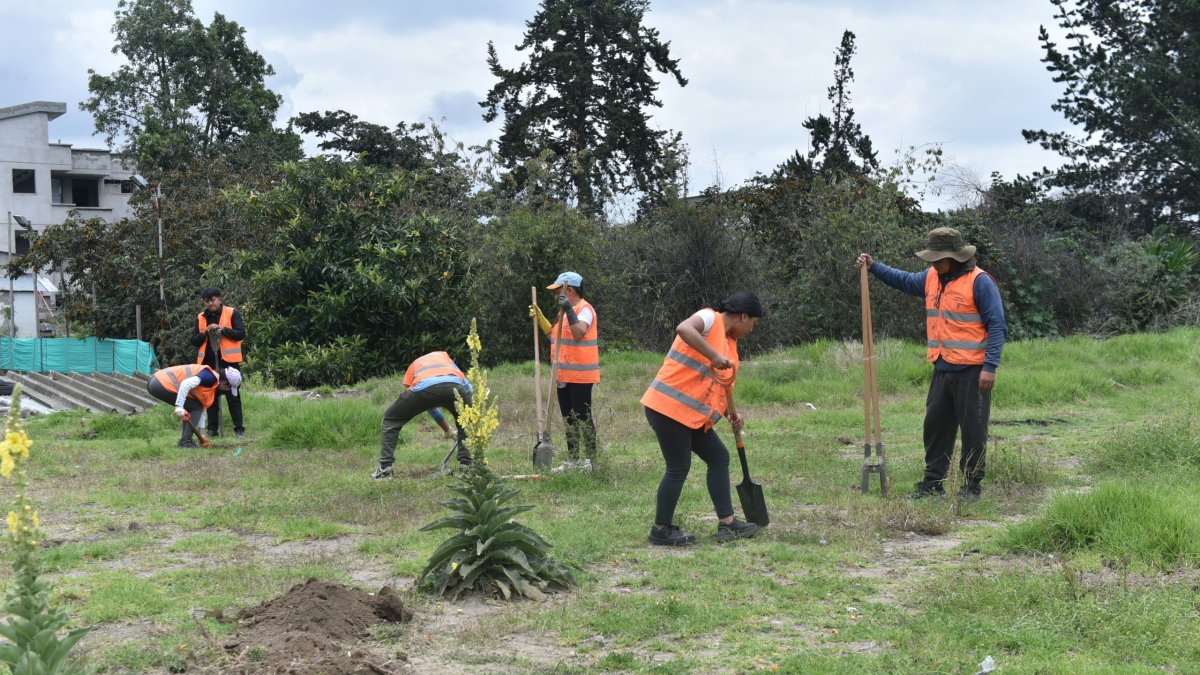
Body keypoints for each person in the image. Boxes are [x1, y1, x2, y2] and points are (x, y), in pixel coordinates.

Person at [857, 227, 1007, 501]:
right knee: (935, 428)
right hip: (942, 368)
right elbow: (902, 279)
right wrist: (874, 266)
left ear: (956, 257)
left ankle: (971, 488)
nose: (935, 264)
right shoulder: (931, 278)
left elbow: (997, 325)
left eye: (939, 259)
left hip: (973, 372)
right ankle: (933, 484)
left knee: (974, 432)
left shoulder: (980, 282)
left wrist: (990, 366)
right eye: (933, 260)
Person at [640, 291, 764, 546]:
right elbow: (683, 328)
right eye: (753, 324)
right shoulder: (709, 318)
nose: (752, 330)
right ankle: (660, 530)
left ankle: (728, 525)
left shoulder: (730, 342)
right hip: (667, 408)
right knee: (678, 467)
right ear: (743, 317)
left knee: (719, 457)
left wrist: (731, 413)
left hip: (692, 416)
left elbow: (720, 383)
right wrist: (714, 356)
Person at [530, 271, 600, 471]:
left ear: (569, 290)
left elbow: (578, 333)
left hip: (581, 375)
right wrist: (540, 317)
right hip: (562, 375)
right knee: (569, 419)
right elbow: (553, 334)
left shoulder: (585, 309)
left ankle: (593, 462)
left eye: (558, 291)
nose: (555, 296)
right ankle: (574, 460)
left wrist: (568, 309)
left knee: (583, 418)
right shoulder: (563, 312)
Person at [371, 351, 472, 479]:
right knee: (466, 420)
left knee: (391, 419)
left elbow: (426, 405)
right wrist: (449, 430)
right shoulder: (446, 358)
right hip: (456, 386)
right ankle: (467, 465)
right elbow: (469, 389)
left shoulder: (413, 366)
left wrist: (447, 430)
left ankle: (385, 469)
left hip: (425, 389)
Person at [189, 287, 246, 439]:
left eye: (213, 300)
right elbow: (194, 340)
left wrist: (221, 329)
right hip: (208, 364)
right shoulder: (201, 317)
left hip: (229, 364)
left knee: (233, 396)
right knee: (210, 397)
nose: (210, 304)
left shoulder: (232, 312)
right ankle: (212, 429)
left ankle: (239, 429)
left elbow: (241, 334)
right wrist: (205, 332)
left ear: (220, 299)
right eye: (207, 301)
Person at [146, 363, 222, 448]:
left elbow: (202, 409)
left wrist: (202, 435)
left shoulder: (211, 384)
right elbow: (185, 383)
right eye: (228, 388)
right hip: (160, 382)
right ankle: (186, 441)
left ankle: (185, 440)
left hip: (155, 380)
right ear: (225, 382)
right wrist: (179, 406)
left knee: (194, 406)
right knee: (195, 407)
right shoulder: (209, 377)